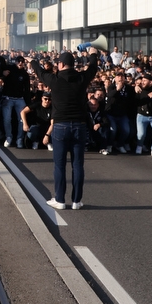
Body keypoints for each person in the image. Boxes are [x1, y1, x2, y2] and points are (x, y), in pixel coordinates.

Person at [29, 48, 99, 210]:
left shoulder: (55, 80)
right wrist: (93, 54)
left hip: (60, 125)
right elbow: (93, 68)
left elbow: (40, 73)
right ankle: (76, 201)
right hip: (80, 125)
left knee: (60, 165)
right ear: (73, 65)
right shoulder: (82, 78)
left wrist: (32, 61)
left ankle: (60, 200)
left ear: (60, 64)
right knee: (78, 164)